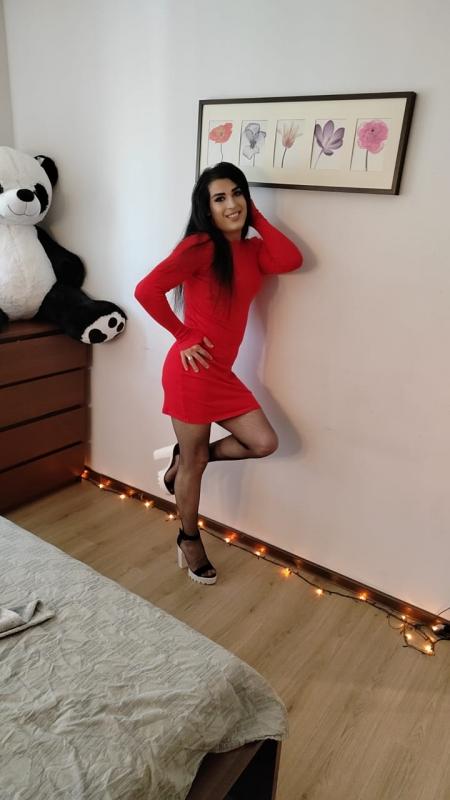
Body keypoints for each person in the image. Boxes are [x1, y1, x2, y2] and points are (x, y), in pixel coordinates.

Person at [135, 162, 303, 586]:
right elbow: (146, 290)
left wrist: (255, 216)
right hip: (190, 371)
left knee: (263, 442)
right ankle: (189, 538)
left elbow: (291, 258)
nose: (232, 204)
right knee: (196, 465)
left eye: (238, 193)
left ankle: (182, 461)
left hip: (221, 374)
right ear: (206, 208)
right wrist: (183, 334)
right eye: (220, 198)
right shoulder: (200, 246)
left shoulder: (251, 250)